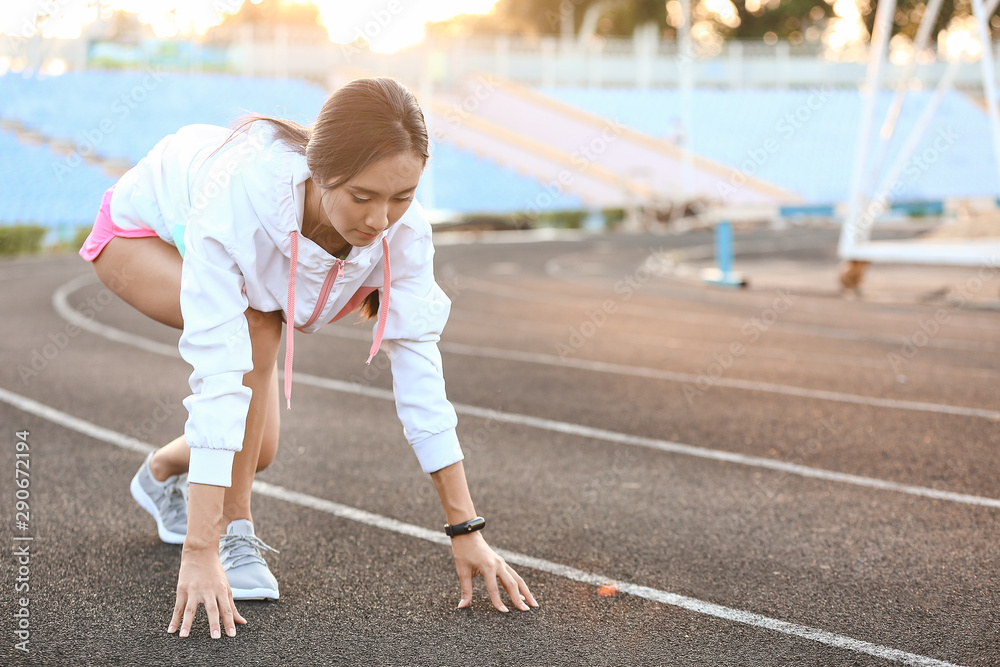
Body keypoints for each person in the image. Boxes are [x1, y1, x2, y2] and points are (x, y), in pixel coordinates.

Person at [80, 76, 538, 639]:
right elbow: (220, 376)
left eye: (403, 197)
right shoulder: (239, 201)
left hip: (219, 252)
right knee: (256, 324)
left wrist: (466, 528)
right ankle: (236, 530)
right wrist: (201, 549)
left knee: (261, 449)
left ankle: (160, 474)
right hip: (138, 236)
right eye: (363, 197)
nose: (380, 221)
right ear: (320, 174)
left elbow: (422, 377)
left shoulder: (404, 235)